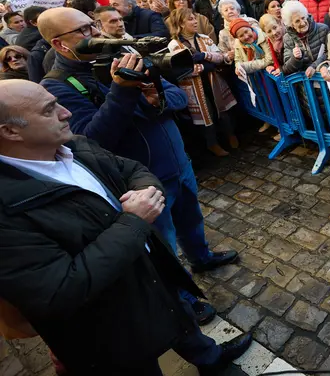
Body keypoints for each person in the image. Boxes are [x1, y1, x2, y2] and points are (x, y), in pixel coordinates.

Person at [0, 79, 252, 375]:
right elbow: (58, 292)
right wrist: (134, 222)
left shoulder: (74, 146)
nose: (66, 113)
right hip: (108, 325)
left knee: (181, 319)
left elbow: (133, 169)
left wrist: (144, 191)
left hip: (150, 272)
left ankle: (213, 361)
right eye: (49, 110)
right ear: (10, 131)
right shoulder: (7, 208)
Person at [37, 7, 237, 326]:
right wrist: (123, 92)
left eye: (92, 25)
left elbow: (175, 96)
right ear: (60, 44)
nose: (95, 33)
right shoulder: (59, 86)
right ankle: (182, 298)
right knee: (161, 244)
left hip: (176, 160)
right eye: (83, 31)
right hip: (140, 181)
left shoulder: (125, 52)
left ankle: (201, 256)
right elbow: (91, 141)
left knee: (190, 215)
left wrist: (155, 98)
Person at [168, 8, 239, 157]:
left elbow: (220, 56)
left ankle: (230, 134)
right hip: (194, 87)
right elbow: (183, 70)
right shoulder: (175, 45)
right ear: (180, 24)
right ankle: (212, 143)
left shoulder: (204, 38)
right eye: (190, 19)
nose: (195, 22)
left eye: (194, 18)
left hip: (213, 81)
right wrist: (207, 66)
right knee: (206, 114)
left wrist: (205, 55)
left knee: (223, 109)